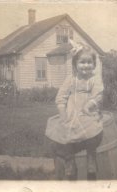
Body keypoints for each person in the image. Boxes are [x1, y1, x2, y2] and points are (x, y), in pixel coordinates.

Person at [45, 40, 104, 180]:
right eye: (82, 62)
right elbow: (61, 98)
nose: (86, 66)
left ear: (94, 65)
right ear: (75, 65)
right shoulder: (70, 80)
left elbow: (98, 95)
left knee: (93, 132)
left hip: (87, 113)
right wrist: (63, 114)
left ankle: (91, 156)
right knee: (61, 136)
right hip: (71, 114)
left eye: (89, 62)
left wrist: (89, 105)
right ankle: (69, 160)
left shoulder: (95, 79)